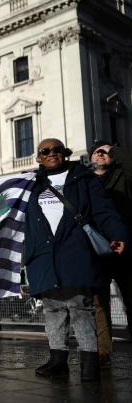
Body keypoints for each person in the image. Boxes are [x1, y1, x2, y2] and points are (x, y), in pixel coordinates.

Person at [23, 138, 127, 382]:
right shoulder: (30, 184)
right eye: (45, 151)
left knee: (81, 308)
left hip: (75, 251)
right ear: (39, 157)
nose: (51, 154)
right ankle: (57, 361)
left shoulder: (84, 179)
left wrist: (118, 234)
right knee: (52, 309)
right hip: (43, 255)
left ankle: (89, 362)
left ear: (66, 154)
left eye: (57, 150)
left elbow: (103, 211)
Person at [89, 140, 132, 366]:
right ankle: (102, 352)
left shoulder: (123, 176)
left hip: (125, 250)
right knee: (99, 304)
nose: (101, 154)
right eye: (97, 151)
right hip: (98, 251)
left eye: (105, 151)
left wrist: (114, 150)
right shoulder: (86, 182)